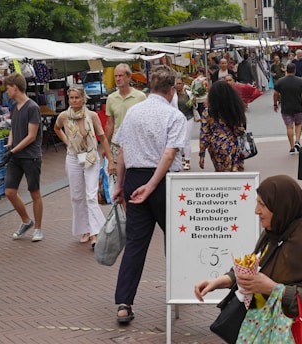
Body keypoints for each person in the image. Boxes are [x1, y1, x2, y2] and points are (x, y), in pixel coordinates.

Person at [194, 174, 302, 344]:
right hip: (270, 332)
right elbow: (257, 267)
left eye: (262, 204)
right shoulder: (275, 232)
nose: (256, 210)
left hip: (296, 336)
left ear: (280, 206)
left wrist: (274, 289)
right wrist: (220, 281)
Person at [112, 65, 186, 324]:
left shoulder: (133, 112)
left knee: (135, 243)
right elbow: (169, 154)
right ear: (170, 90)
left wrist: (120, 185)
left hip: (134, 178)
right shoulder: (174, 116)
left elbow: (122, 150)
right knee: (174, 239)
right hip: (163, 181)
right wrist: (154, 184)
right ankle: (180, 289)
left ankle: (124, 302)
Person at [54, 87, 114, 247]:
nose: (74, 101)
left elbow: (102, 137)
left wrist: (110, 159)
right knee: (77, 196)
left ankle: (97, 232)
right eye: (71, 98)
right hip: (73, 157)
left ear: (83, 99)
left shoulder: (91, 116)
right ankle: (85, 229)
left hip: (91, 156)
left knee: (91, 196)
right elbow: (56, 128)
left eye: (77, 98)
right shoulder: (64, 116)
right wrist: (67, 142)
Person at [2, 73, 44, 242]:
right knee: (10, 192)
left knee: (34, 192)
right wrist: (10, 145)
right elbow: (13, 127)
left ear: (15, 87)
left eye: (7, 88)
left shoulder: (32, 107)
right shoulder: (14, 106)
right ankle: (26, 221)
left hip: (30, 157)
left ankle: (38, 228)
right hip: (16, 155)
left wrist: (13, 151)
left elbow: (31, 136)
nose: (6, 92)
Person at [105, 63, 147, 172]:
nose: (118, 79)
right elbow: (110, 124)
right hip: (117, 145)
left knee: (133, 178)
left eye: (121, 76)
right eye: (116, 76)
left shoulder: (140, 97)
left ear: (129, 77)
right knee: (116, 179)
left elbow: (145, 122)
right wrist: (106, 146)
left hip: (135, 145)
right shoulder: (111, 98)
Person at [199, 80, 246, 172]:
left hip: (215, 145)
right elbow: (239, 130)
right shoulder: (234, 109)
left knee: (221, 172)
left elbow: (204, 134)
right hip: (232, 143)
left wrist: (202, 154)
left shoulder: (207, 112)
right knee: (235, 171)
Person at [273, 63, 302, 154]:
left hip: (286, 107)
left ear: (286, 70)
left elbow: (275, 94)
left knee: (289, 127)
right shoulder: (300, 81)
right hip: (297, 106)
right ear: (295, 70)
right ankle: (297, 141)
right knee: (298, 124)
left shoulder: (280, 81)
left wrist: (275, 104)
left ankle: (292, 146)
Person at [175, 77, 195, 171]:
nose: (178, 85)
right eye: (176, 83)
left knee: (186, 140)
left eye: (180, 83)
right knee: (179, 140)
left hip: (188, 118)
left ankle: (187, 161)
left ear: (183, 84)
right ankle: (181, 158)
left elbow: (194, 106)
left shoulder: (189, 94)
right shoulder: (172, 95)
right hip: (177, 120)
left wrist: (194, 102)